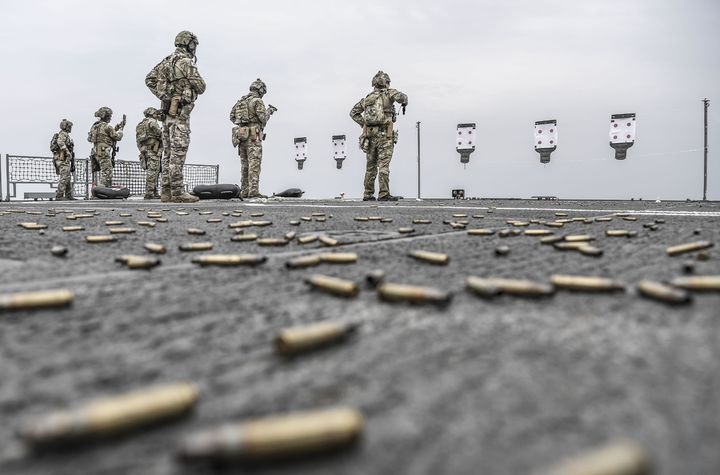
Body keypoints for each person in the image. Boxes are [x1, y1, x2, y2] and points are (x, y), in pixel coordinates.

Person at [146, 30, 206, 203]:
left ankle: (166, 192)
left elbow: (149, 79)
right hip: (180, 115)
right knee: (178, 153)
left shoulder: (166, 62)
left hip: (167, 115)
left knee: (167, 155)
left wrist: (164, 96)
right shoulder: (186, 62)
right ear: (190, 44)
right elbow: (201, 87)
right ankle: (178, 192)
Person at [350, 71, 408, 201]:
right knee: (383, 165)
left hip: (370, 136)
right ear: (386, 83)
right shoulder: (389, 93)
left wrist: (364, 124)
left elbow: (353, 112)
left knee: (370, 166)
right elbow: (403, 98)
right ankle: (383, 194)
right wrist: (404, 101)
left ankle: (368, 194)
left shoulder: (367, 99)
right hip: (385, 135)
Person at [229, 78, 277, 199]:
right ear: (261, 90)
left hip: (242, 136)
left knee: (244, 165)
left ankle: (244, 191)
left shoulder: (241, 101)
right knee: (254, 165)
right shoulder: (257, 101)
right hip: (253, 138)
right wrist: (269, 111)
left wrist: (243, 123)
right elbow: (263, 118)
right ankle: (253, 191)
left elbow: (231, 117)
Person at [88, 107, 125, 187]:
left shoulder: (94, 126)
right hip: (104, 151)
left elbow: (90, 139)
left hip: (95, 151)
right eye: (109, 116)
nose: (110, 118)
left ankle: (99, 189)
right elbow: (117, 137)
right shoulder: (107, 126)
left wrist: (116, 127)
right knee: (107, 172)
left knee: (102, 171)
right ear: (106, 116)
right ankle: (102, 190)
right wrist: (121, 130)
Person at [136, 107, 164, 199]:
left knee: (153, 171)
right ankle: (150, 193)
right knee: (153, 172)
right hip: (153, 150)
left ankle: (154, 192)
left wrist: (141, 150)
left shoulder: (141, 124)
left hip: (145, 150)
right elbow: (161, 134)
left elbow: (138, 140)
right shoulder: (152, 122)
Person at [51, 119, 75, 200]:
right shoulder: (63, 134)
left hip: (63, 158)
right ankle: (59, 195)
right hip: (62, 158)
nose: (70, 128)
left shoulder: (65, 134)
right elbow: (60, 142)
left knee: (67, 176)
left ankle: (69, 195)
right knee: (64, 176)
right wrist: (67, 152)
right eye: (69, 126)